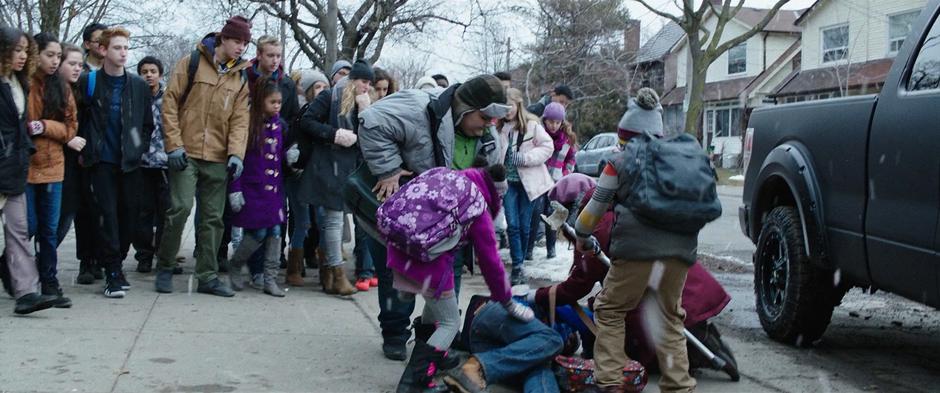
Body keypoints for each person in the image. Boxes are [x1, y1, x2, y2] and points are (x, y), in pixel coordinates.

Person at [356, 74, 511, 360]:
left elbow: (490, 183)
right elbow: (370, 120)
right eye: (483, 116)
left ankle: (430, 345)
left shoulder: (486, 137)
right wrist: (388, 169)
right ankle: (395, 334)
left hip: (444, 227)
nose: (489, 124)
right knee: (396, 278)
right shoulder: (419, 108)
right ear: (465, 108)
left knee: (446, 282)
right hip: (402, 217)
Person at [527, 173, 734, 376]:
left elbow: (580, 283)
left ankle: (696, 351)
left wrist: (539, 296)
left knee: (637, 355)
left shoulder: (598, 226)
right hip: (685, 288)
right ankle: (700, 340)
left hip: (656, 297)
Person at [574, 88, 697, 393]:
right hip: (679, 251)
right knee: (669, 317)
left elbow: (592, 212)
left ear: (625, 136)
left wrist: (582, 236)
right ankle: (679, 386)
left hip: (637, 251)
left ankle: (612, 383)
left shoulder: (619, 162)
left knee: (611, 309)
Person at [376, 163, 534, 392]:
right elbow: (491, 262)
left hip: (401, 252)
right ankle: (415, 382)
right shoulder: (476, 206)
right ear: (497, 193)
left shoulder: (445, 174)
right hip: (428, 265)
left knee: (435, 311)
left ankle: (435, 356)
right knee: (450, 323)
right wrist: (507, 300)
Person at [154, 16, 252, 297]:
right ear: (223, 38)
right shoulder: (192, 62)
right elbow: (170, 102)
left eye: (245, 43)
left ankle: (207, 276)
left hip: (218, 157)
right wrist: (173, 145)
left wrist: (236, 154)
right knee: (180, 208)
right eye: (236, 41)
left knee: (213, 218)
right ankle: (165, 265)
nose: (240, 48)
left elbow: (240, 119)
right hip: (186, 152)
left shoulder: (240, 76)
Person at [75, 27, 153, 298]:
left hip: (129, 164)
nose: (123, 53)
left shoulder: (139, 86)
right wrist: (83, 147)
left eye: (126, 48)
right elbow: (77, 117)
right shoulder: (89, 81)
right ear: (103, 50)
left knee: (128, 218)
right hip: (100, 163)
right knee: (107, 216)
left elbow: (146, 125)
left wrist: (138, 147)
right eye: (118, 47)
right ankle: (112, 272)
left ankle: (116, 263)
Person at [298, 60, 375, 297]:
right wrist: (334, 134)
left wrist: (365, 112)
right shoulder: (330, 96)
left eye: (369, 82)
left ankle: (330, 275)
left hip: (348, 168)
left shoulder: (362, 102)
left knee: (336, 222)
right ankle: (337, 274)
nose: (367, 87)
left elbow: (368, 136)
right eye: (363, 81)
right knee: (333, 221)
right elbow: (306, 121)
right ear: (353, 80)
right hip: (328, 166)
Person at [0, 27, 61, 315]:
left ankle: (26, 292)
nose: (23, 56)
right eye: (16, 50)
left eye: (26, 50)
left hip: (13, 169)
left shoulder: (19, 83)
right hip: (6, 164)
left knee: (20, 231)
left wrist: (25, 149)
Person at [241, 35, 300, 285]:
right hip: (251, 152)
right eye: (270, 55)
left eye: (278, 55)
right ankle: (253, 267)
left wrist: (291, 149)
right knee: (254, 219)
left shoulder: (286, 84)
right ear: (259, 55)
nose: (275, 60)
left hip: (278, 156)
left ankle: (271, 270)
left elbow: (294, 118)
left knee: (277, 218)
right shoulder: (245, 78)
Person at [25, 32, 76, 308]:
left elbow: (70, 128)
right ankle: (14, 268)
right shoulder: (23, 83)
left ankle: (49, 282)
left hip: (54, 165)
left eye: (58, 56)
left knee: (49, 229)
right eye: (50, 55)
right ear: (37, 55)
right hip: (25, 167)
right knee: (29, 225)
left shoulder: (62, 87)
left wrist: (45, 126)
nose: (55, 61)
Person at [227, 79, 290, 297]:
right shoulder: (249, 125)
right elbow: (238, 158)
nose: (276, 106)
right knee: (258, 231)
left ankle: (270, 279)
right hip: (253, 189)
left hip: (274, 191)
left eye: (279, 102)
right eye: (272, 102)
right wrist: (235, 188)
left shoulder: (280, 125)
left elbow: (279, 156)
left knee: (275, 230)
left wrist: (290, 158)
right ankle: (236, 264)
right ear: (261, 101)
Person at [443, 300, 564, 393]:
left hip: (487, 347)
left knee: (538, 365)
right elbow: (567, 290)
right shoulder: (567, 314)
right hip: (492, 317)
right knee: (553, 339)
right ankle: (476, 366)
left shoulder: (538, 347)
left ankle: (476, 369)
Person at [498, 88, 553, 285]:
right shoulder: (498, 128)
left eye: (510, 106)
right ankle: (518, 265)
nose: (507, 111)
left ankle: (520, 257)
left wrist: (526, 158)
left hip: (529, 182)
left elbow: (548, 147)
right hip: (508, 183)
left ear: (518, 104)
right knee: (512, 225)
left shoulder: (532, 126)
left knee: (523, 224)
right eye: (503, 107)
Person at [55, 43, 97, 285]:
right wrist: (67, 137)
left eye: (80, 65)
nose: (77, 69)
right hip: (52, 163)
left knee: (68, 218)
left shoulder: (80, 91)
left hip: (76, 165)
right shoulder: (49, 90)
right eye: (71, 63)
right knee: (49, 223)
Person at [526, 102, 576, 261]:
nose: (553, 125)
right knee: (535, 215)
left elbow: (571, 159)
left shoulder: (568, 139)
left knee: (553, 216)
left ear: (562, 122)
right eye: (550, 121)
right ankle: (529, 250)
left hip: (556, 183)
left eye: (557, 122)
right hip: (539, 182)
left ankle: (551, 248)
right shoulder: (538, 135)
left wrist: (566, 173)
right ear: (544, 120)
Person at [133, 56, 169, 274]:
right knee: (143, 213)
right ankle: (143, 255)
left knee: (167, 213)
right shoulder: (136, 96)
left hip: (165, 163)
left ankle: (164, 254)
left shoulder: (170, 98)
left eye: (153, 71)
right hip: (142, 163)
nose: (148, 75)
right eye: (144, 71)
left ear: (160, 74)